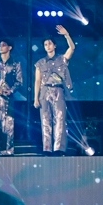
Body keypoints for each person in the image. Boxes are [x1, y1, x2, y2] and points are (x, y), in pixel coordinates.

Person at [33, 25, 76, 154]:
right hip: (44, 92)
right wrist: (36, 98)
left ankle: (59, 148)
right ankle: (47, 148)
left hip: (58, 91)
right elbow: (37, 81)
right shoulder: (40, 63)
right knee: (45, 120)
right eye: (45, 44)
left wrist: (66, 35)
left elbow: (72, 48)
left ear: (54, 45)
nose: (48, 46)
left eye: (50, 44)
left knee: (60, 119)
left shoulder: (61, 59)